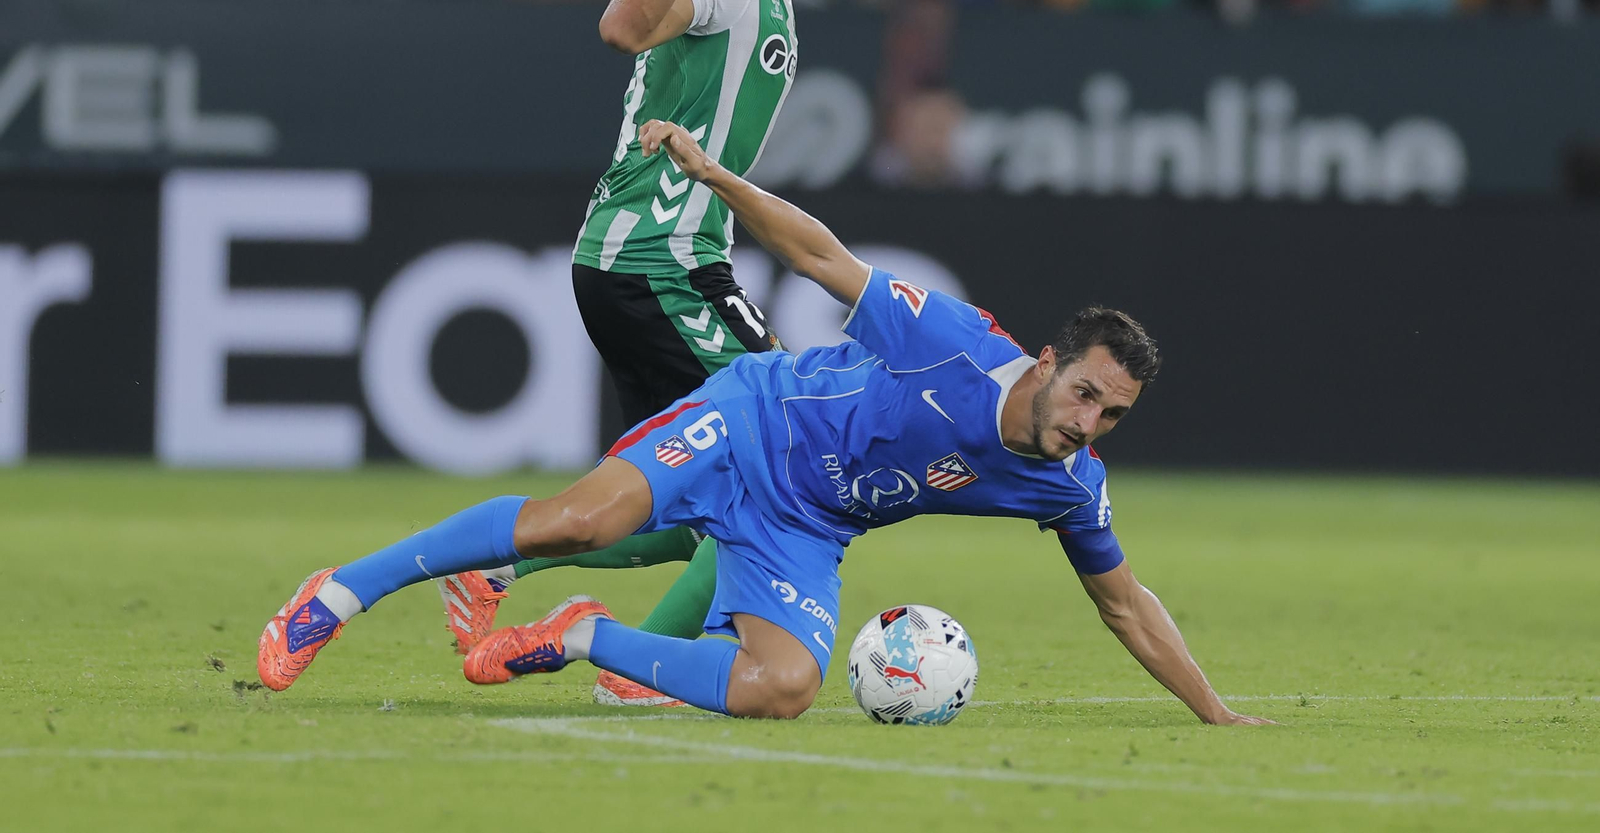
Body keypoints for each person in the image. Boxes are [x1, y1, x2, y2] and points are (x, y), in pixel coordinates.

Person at [258, 119, 1273, 728]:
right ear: (1049, 365)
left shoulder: (1067, 482)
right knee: (580, 522)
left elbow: (1126, 604)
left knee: (783, 687)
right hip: (750, 419)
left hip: (807, 524)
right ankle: (338, 594)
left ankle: (580, 636)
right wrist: (716, 181)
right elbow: (825, 257)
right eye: (1084, 395)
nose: (1087, 423)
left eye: (1112, 415)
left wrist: (1213, 708)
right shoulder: (953, 344)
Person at [432, 0, 877, 707]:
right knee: (798, 455)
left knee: (683, 512)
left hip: (659, 259)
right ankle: (645, 673)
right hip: (660, 260)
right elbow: (623, 24)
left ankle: (503, 569)